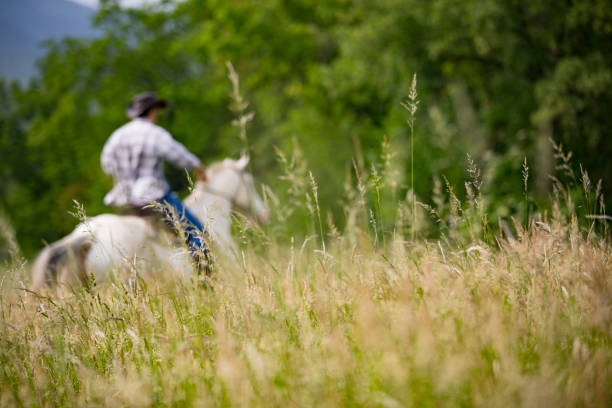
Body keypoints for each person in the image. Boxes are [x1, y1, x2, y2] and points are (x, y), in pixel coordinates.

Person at [101, 91, 209, 268]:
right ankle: (207, 278)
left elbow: (106, 164)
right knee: (196, 231)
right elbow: (179, 156)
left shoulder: (116, 136)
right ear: (152, 111)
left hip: (124, 201)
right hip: (153, 198)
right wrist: (199, 168)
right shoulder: (156, 134)